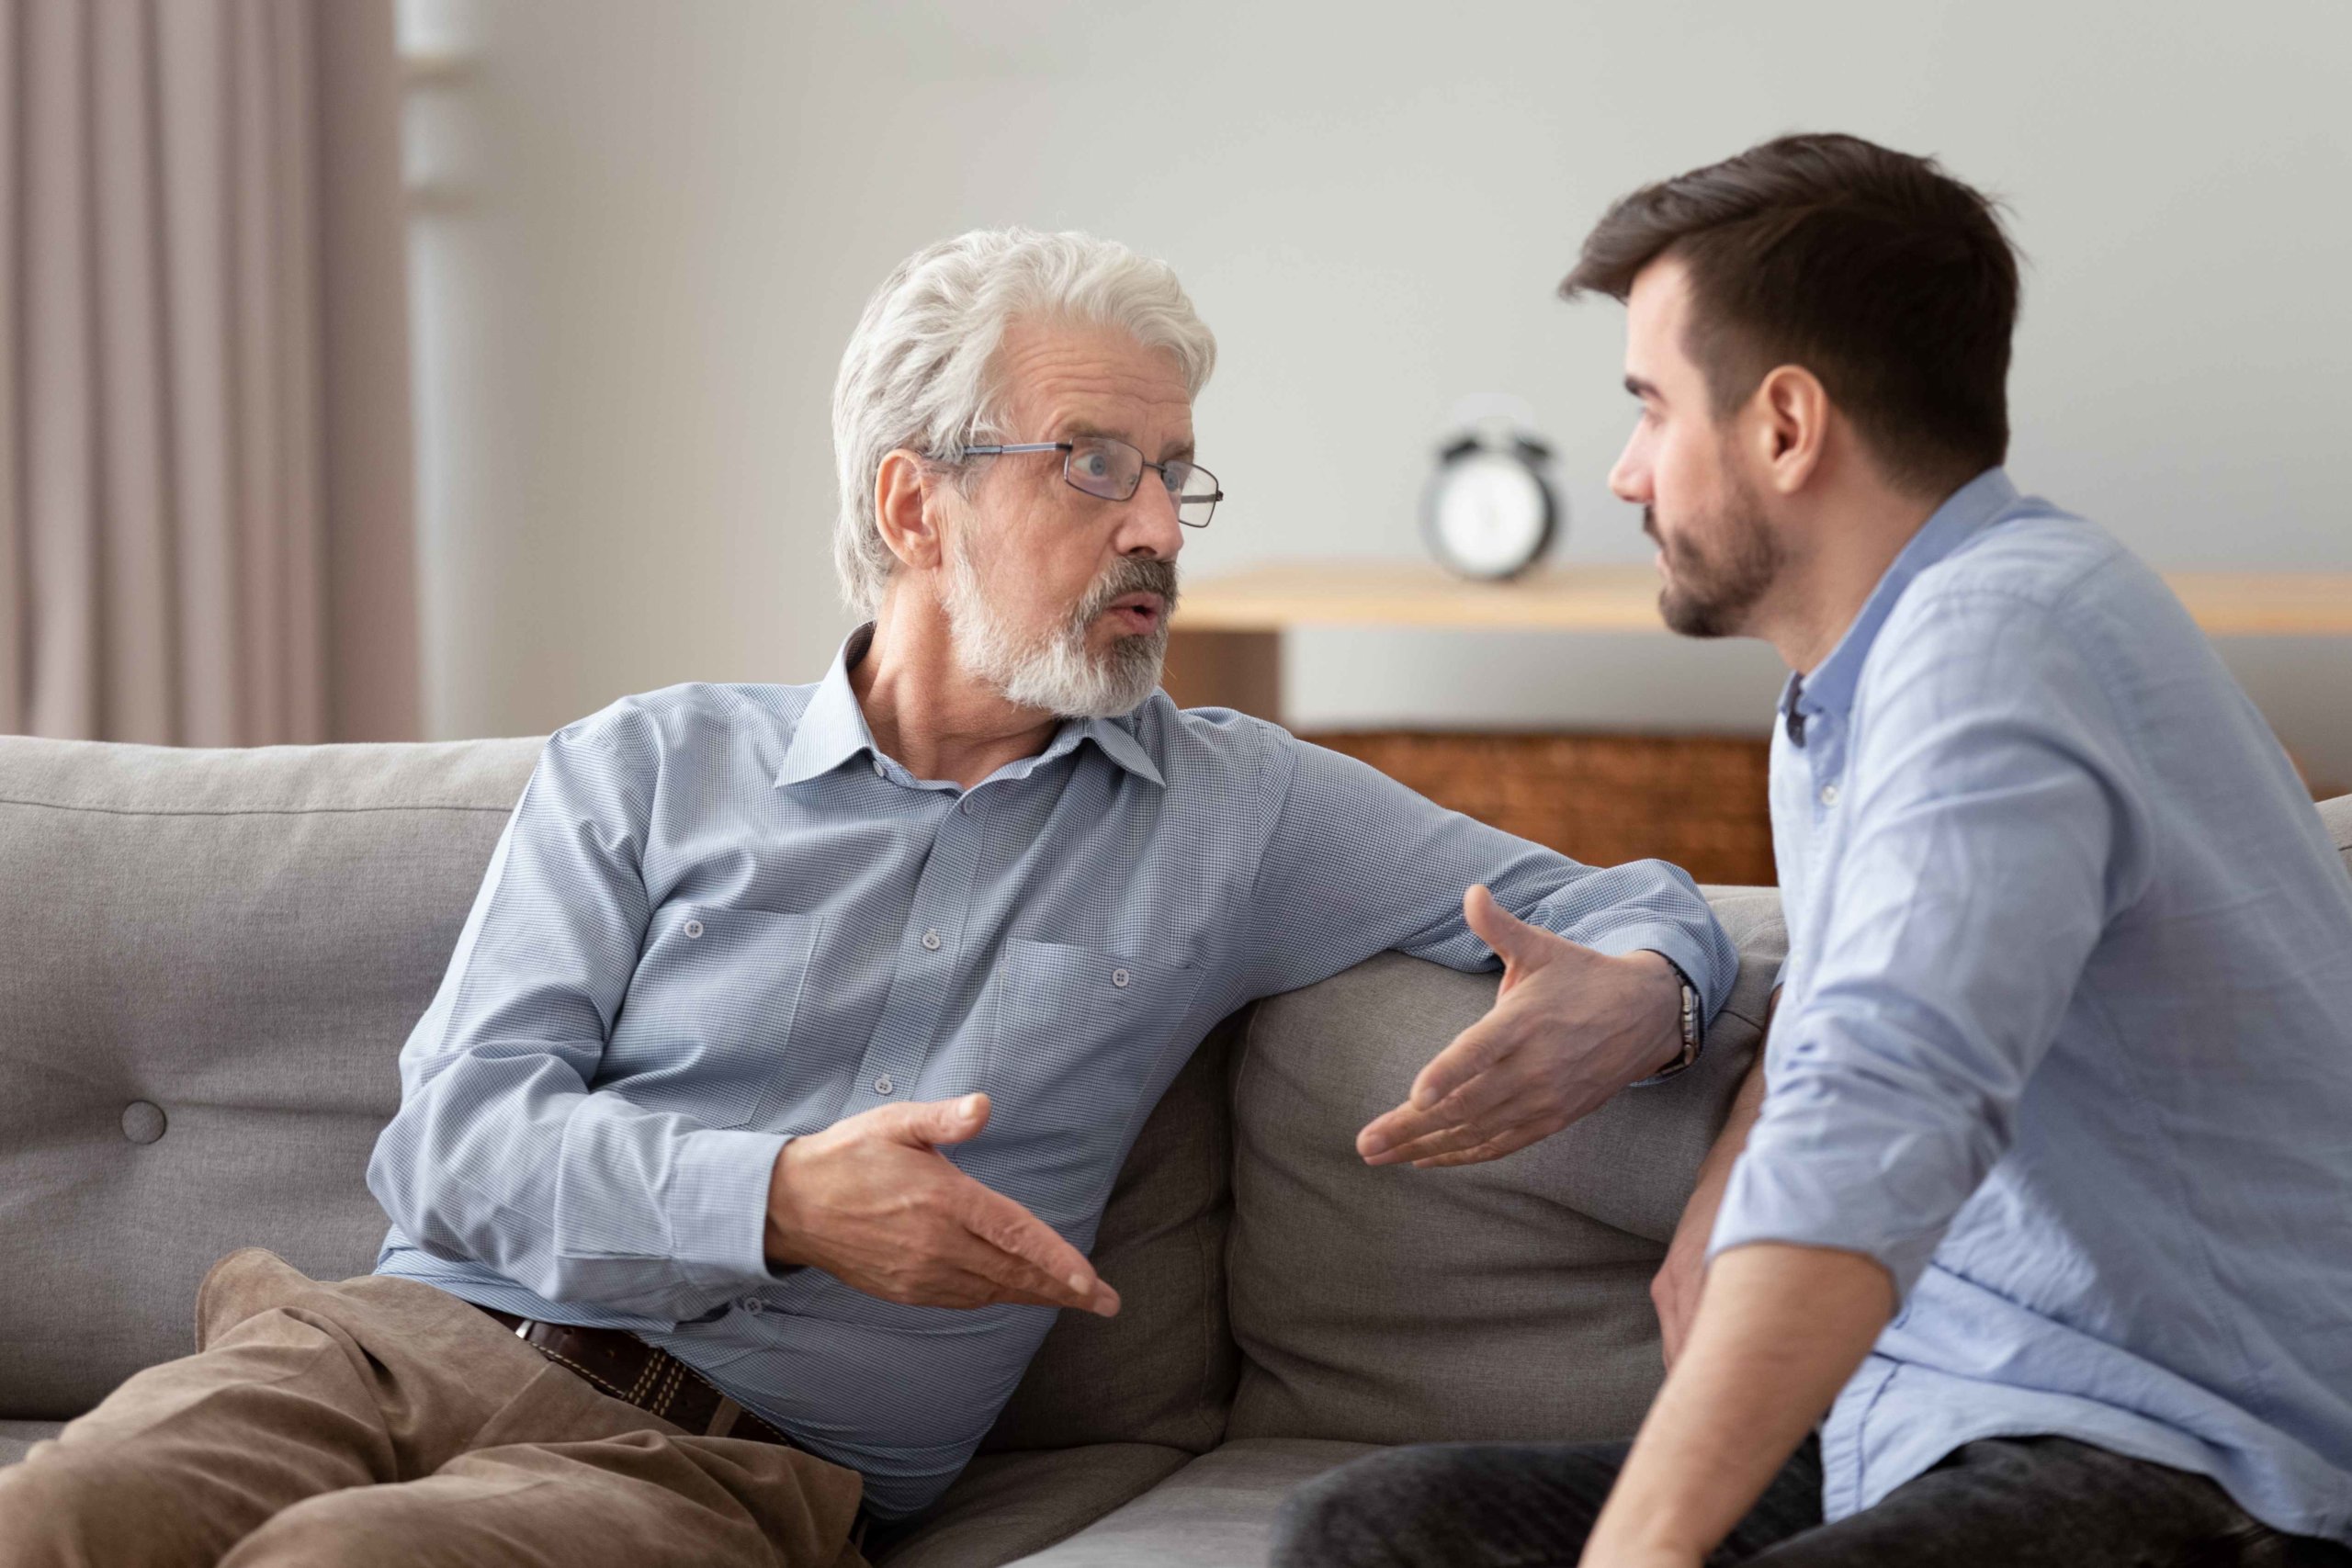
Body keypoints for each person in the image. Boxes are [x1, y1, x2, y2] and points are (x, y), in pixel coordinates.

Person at [0, 227, 1736, 1568]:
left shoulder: (1240, 806)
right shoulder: (649, 765)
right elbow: (451, 1147)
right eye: (1091, 464)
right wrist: (784, 1201)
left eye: (1172, 472)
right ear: (916, 502)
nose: (1159, 531)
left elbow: (1649, 900)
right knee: (66, 1518)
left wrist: (1646, 991)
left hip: (718, 1468)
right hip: (387, 1340)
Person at [1273, 133, 2352, 1567]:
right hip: (1925, 1431)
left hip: (2195, 1464)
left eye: (1652, 408)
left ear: (1785, 426)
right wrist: (1729, 1170)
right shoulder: (1852, 689)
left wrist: (1639, 1551)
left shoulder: (2004, 643)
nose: (1623, 474)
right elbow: (1877, 991)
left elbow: (1888, 1107)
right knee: (1374, 1532)